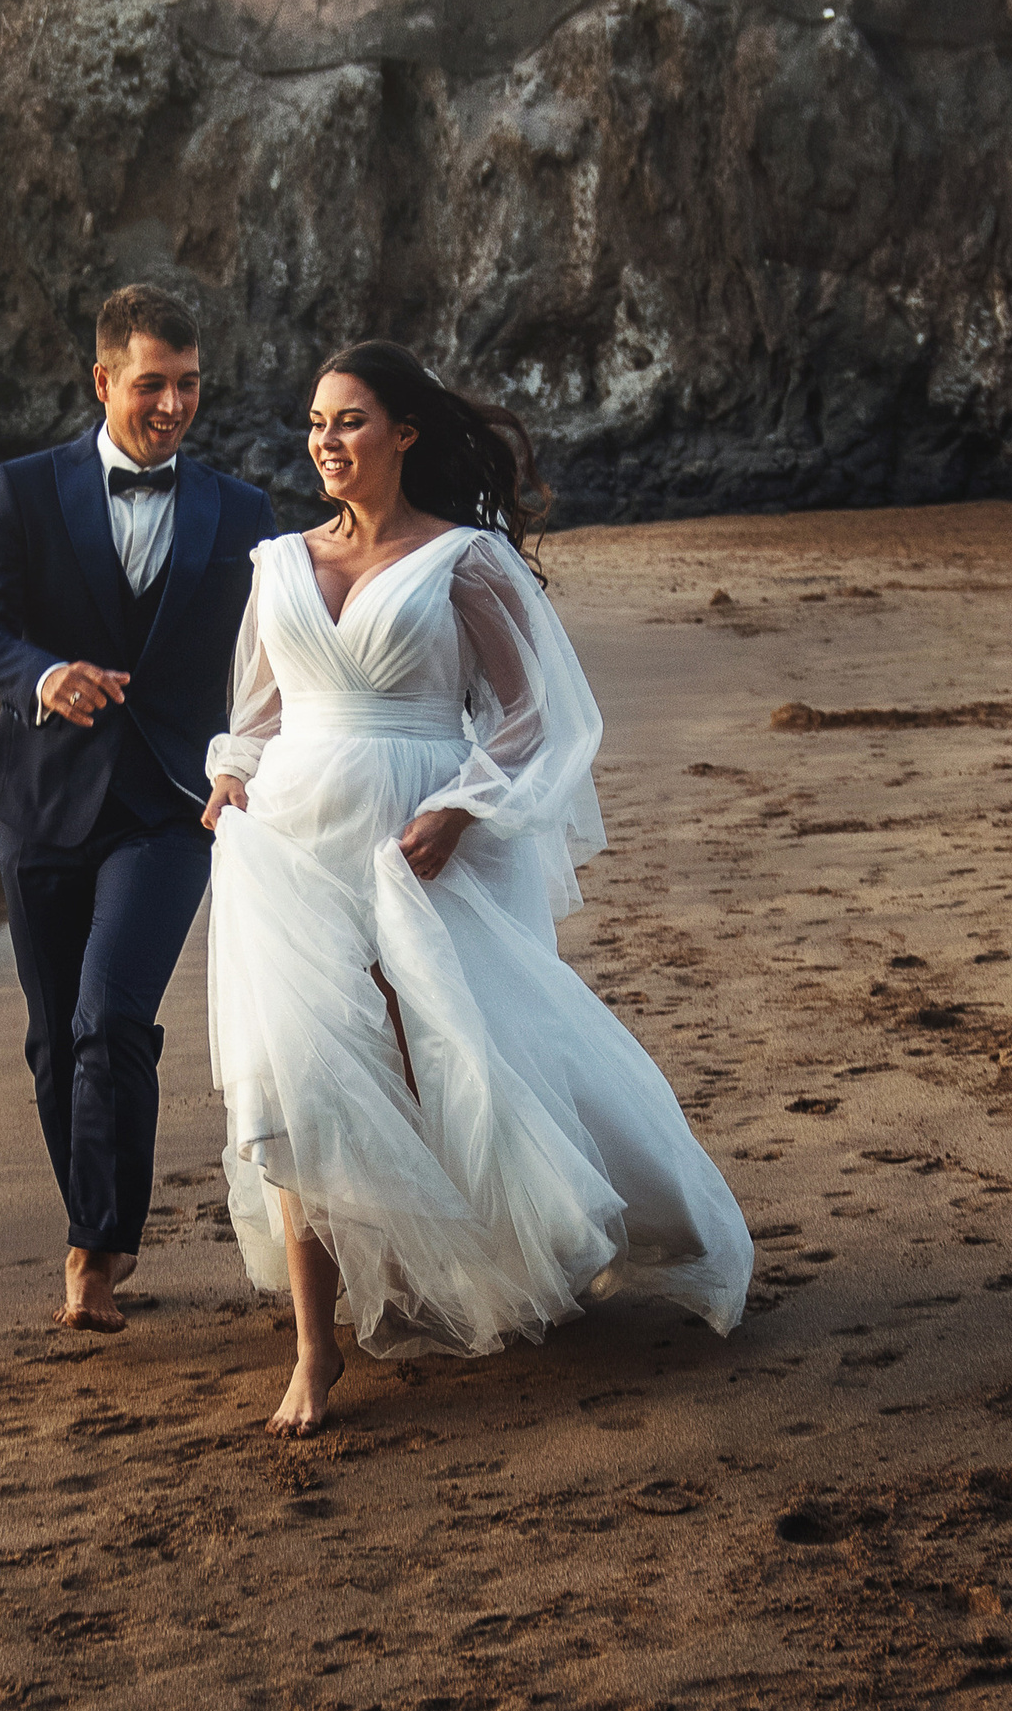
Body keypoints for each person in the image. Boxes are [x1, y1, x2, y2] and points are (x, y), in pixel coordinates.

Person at [200, 339, 753, 1435]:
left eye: (349, 421)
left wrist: (457, 814)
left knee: (451, 1051)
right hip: (286, 844)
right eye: (315, 424)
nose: (326, 442)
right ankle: (317, 1350)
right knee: (294, 1074)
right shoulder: (276, 566)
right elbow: (256, 719)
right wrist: (224, 781)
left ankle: (548, 1239)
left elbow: (531, 716)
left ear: (403, 434)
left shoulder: (466, 560)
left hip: (414, 833)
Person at [0, 285, 281, 1332]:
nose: (173, 405)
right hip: (41, 800)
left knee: (110, 1021)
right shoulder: (24, 491)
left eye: (188, 385)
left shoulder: (242, 512)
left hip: (174, 805)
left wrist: (248, 764)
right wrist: (41, 676)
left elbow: (269, 664)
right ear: (103, 382)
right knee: (54, 1041)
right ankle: (94, 1217)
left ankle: (97, 1247)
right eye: (152, 385)